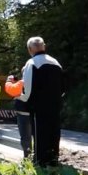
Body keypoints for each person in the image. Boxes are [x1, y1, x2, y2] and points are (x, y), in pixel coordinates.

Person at [17, 37, 64, 167]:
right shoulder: (56, 63)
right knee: (54, 134)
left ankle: (40, 165)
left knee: (40, 136)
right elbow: (64, 86)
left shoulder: (31, 63)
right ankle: (53, 162)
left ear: (30, 49)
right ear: (44, 46)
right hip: (55, 105)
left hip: (39, 107)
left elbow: (28, 89)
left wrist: (19, 97)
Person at [5, 74, 32, 158]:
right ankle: (36, 157)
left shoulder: (21, 83)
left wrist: (9, 80)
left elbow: (10, 89)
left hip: (23, 114)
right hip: (35, 114)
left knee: (25, 137)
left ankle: (27, 157)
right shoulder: (38, 82)